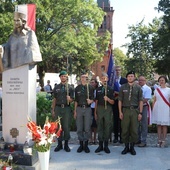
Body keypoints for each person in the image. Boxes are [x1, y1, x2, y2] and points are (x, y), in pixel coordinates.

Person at [118, 71, 143, 155]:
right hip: (125, 110)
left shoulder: (138, 87)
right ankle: (126, 147)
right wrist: (120, 111)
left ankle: (132, 147)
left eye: (132, 76)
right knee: (125, 129)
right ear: (127, 77)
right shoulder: (123, 87)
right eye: (129, 76)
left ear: (134, 77)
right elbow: (120, 100)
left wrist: (140, 113)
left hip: (135, 111)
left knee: (134, 129)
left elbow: (141, 101)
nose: (130, 77)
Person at [52, 71, 74, 152]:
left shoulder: (70, 87)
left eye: (64, 76)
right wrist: (53, 110)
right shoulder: (56, 87)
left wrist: (70, 99)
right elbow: (54, 99)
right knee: (58, 126)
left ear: (67, 77)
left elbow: (73, 99)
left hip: (66, 108)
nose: (63, 77)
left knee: (66, 126)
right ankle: (59, 144)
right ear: (60, 77)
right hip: (58, 108)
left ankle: (66, 145)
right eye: (62, 76)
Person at [74, 72, 94, 153]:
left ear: (87, 78)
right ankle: (81, 144)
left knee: (87, 127)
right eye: (82, 77)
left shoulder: (90, 87)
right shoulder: (77, 88)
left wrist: (91, 101)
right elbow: (76, 100)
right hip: (79, 108)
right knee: (79, 127)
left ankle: (86, 144)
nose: (83, 79)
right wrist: (75, 111)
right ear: (80, 78)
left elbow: (93, 98)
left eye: (85, 77)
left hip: (87, 109)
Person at [94, 72, 114, 154]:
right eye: (102, 78)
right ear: (101, 80)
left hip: (108, 109)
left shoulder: (110, 89)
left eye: (105, 78)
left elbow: (113, 102)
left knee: (107, 126)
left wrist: (108, 99)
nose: (104, 79)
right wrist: (95, 112)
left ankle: (106, 145)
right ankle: (100, 145)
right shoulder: (98, 89)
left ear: (108, 79)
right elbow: (96, 102)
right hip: (100, 108)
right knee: (100, 126)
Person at [152, 75, 170, 147]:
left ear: (165, 81)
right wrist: (153, 109)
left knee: (164, 125)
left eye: (163, 80)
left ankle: (164, 140)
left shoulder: (169, 90)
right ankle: (159, 139)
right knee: (158, 125)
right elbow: (154, 100)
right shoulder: (157, 90)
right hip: (158, 107)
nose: (161, 81)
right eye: (160, 80)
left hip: (165, 108)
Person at [113, 66, 127, 143]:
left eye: (119, 70)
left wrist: (119, 93)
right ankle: (115, 137)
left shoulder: (124, 80)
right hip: (114, 103)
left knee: (122, 120)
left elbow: (126, 91)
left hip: (123, 103)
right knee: (115, 120)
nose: (117, 71)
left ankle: (122, 137)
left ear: (121, 71)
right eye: (116, 70)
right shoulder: (112, 81)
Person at [137, 76, 152, 147]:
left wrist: (137, 103)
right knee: (136, 124)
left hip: (144, 107)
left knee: (143, 125)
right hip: (136, 108)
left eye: (142, 80)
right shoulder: (136, 88)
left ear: (145, 81)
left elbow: (146, 99)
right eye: (139, 80)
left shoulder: (147, 89)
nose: (140, 82)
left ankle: (143, 141)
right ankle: (137, 139)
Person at [89, 78, 98, 145]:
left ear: (96, 83)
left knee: (95, 124)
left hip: (96, 107)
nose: (92, 83)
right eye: (91, 82)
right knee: (90, 124)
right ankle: (90, 138)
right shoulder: (88, 90)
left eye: (93, 82)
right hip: (90, 107)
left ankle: (95, 138)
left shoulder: (98, 90)